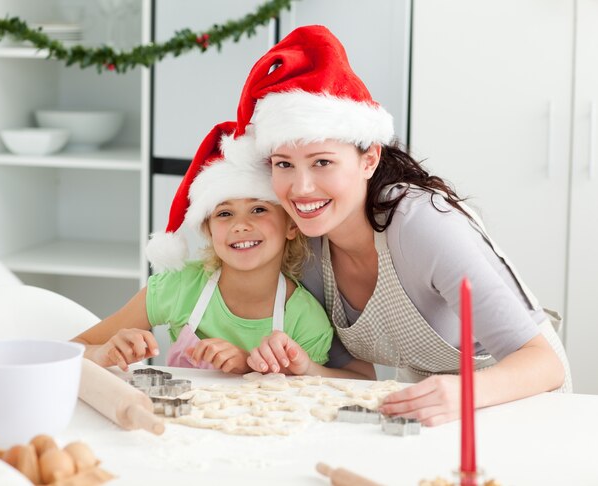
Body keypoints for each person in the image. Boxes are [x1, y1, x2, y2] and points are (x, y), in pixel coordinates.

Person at [225, 25, 572, 425]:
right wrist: (304, 368)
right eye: (284, 164)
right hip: (432, 407)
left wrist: (460, 390)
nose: (301, 189)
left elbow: (543, 364)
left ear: (368, 159)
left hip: (522, 399)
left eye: (322, 162)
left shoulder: (420, 225)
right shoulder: (307, 245)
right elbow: (357, 378)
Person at [72, 121, 336, 375]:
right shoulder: (178, 287)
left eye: (258, 209)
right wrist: (103, 353)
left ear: (291, 226)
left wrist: (246, 365)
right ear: (208, 230)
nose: (241, 226)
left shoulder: (305, 319)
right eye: (224, 214)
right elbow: (73, 349)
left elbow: (306, 401)